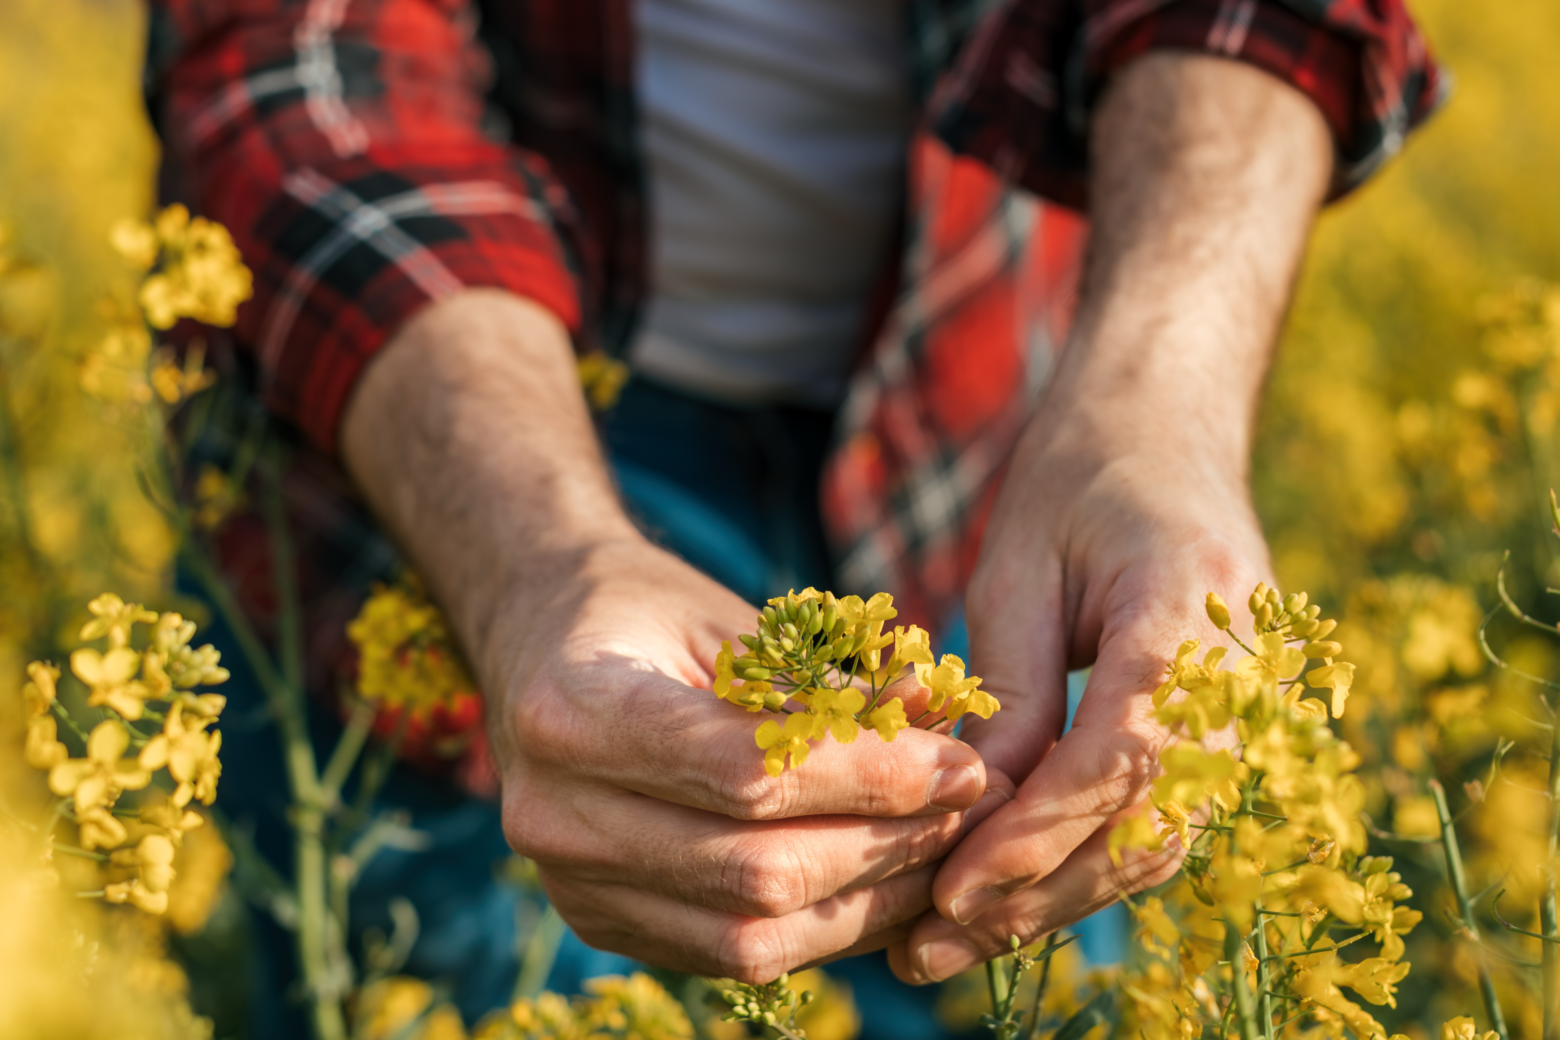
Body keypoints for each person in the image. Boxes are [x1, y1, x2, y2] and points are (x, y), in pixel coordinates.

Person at [145, 0, 1440, 1029]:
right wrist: (541, 562)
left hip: (998, 460)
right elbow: (304, 70)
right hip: (469, 455)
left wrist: (1159, 407)